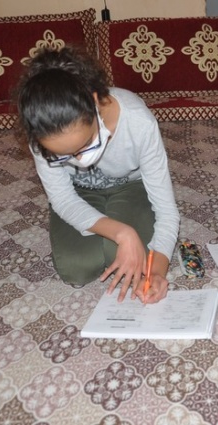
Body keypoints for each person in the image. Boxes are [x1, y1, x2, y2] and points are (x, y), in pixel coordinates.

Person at [16, 46, 179, 303]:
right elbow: (63, 199)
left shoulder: (139, 122)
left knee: (127, 260)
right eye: (63, 155)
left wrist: (156, 272)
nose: (80, 160)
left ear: (94, 102)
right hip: (79, 193)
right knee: (77, 268)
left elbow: (167, 210)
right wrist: (123, 232)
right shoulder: (41, 132)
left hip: (131, 187)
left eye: (85, 145)